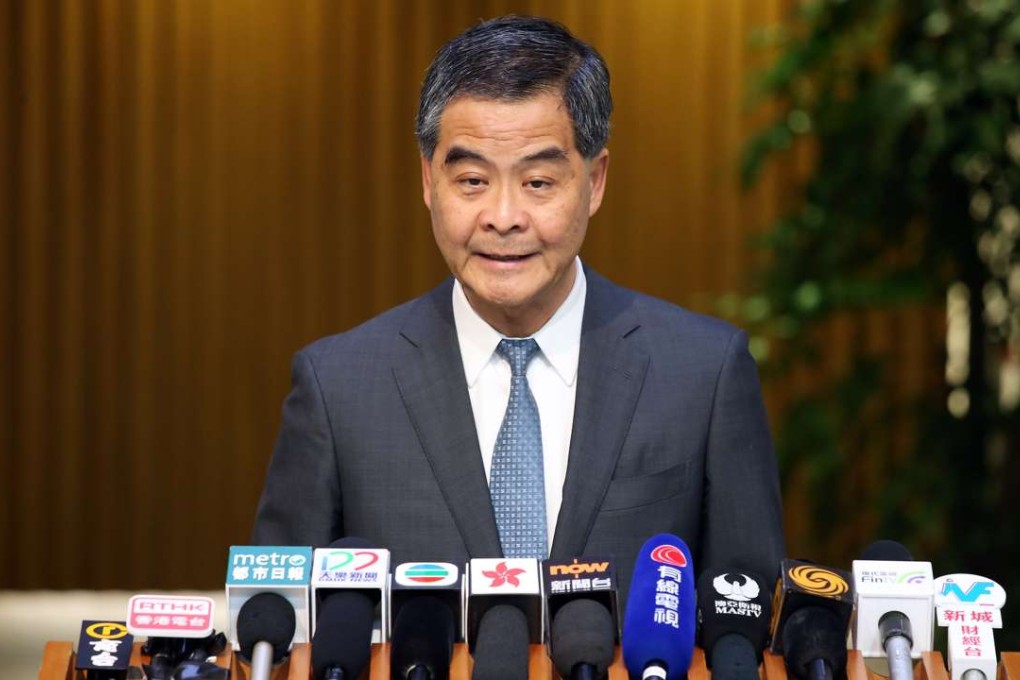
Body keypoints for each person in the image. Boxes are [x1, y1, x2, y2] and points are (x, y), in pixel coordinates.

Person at [252, 15, 784, 599]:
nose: (503, 217)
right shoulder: (338, 388)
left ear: (595, 180)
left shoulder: (703, 374)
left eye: (537, 182)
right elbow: (278, 627)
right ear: (429, 181)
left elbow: (749, 623)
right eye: (473, 180)